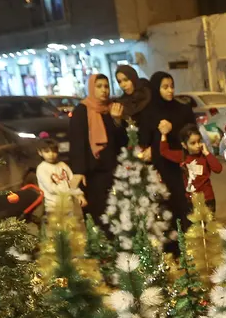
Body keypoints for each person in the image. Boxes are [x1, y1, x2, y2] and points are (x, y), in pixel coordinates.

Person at [68, 73, 127, 225]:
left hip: (112, 169)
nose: (104, 90)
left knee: (115, 212)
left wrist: (117, 120)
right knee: (97, 213)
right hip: (92, 172)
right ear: (91, 88)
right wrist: (79, 171)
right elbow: (77, 142)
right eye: (99, 86)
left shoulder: (112, 109)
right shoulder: (82, 110)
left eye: (106, 86)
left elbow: (122, 141)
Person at [138, 70, 195, 225]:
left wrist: (174, 127)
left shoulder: (182, 109)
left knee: (184, 204)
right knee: (165, 207)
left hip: (180, 165)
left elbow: (192, 132)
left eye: (172, 86)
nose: (170, 90)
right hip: (160, 167)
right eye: (165, 87)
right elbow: (143, 139)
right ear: (157, 89)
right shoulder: (148, 112)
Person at [158, 121, 222, 211]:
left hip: (207, 199)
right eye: (193, 143)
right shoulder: (182, 157)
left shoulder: (205, 156)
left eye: (199, 141)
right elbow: (164, 151)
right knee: (194, 224)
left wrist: (207, 153)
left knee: (209, 224)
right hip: (191, 200)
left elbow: (218, 169)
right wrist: (163, 134)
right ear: (184, 145)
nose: (197, 145)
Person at [35, 138, 85, 221]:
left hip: (69, 206)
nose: (51, 154)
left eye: (54, 151)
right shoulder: (42, 168)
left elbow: (72, 182)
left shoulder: (63, 165)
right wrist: (70, 191)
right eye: (47, 151)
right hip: (53, 207)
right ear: (40, 152)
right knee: (58, 232)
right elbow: (51, 188)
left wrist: (79, 195)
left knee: (72, 230)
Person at [113, 64, 152, 130]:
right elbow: (122, 131)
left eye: (126, 80)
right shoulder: (121, 103)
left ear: (133, 78)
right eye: (119, 82)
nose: (123, 85)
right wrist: (117, 120)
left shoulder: (147, 95)